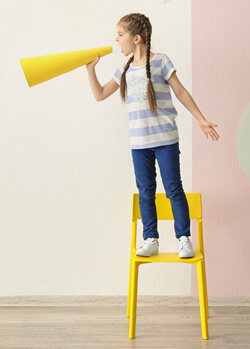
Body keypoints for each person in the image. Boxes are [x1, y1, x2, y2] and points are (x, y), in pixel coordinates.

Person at [86, 13, 220, 258]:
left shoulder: (161, 62)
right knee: (145, 191)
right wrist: (90, 70)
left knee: (173, 190)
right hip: (139, 144)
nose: (116, 40)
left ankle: (183, 238)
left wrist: (200, 119)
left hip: (166, 140)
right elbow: (100, 94)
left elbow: (180, 91)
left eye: (120, 34)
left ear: (136, 38)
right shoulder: (124, 69)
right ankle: (150, 239)